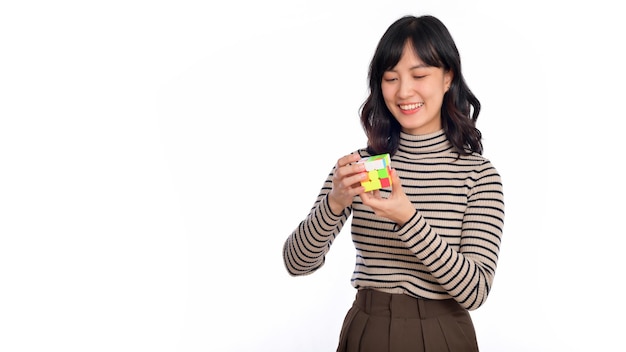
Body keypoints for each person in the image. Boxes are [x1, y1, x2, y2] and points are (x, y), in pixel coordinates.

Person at [283, 14, 504, 352]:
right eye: (390, 78)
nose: (404, 91)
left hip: (442, 334)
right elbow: (296, 263)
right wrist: (334, 204)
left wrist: (408, 219)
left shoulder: (478, 175)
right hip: (366, 329)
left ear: (448, 78)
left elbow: (474, 291)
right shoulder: (362, 166)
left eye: (419, 75)